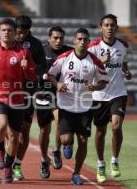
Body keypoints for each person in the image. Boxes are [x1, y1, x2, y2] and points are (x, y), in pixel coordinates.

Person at [47, 28, 108, 185]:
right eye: (79, 39)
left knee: (83, 140)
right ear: (74, 40)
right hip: (65, 105)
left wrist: (95, 87)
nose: (82, 42)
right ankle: (67, 144)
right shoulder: (64, 58)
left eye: (85, 40)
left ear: (88, 42)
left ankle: (76, 173)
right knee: (66, 139)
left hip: (84, 107)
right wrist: (58, 84)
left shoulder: (95, 61)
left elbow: (103, 81)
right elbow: (51, 74)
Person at [0, 18, 36, 184]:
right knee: (1, 125)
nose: (6, 33)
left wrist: (27, 69)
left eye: (9, 30)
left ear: (14, 33)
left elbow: (32, 78)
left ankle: (7, 168)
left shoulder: (23, 53)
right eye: (3, 30)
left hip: (17, 98)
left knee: (14, 137)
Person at [88, 14, 132, 183]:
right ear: (101, 27)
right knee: (100, 131)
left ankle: (115, 160)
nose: (109, 27)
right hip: (99, 95)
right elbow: (86, 69)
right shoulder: (93, 47)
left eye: (112, 25)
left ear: (116, 27)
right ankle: (100, 164)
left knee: (116, 126)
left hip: (118, 93)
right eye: (106, 25)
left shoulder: (123, 45)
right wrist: (100, 61)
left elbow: (124, 62)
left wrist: (126, 71)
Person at [13, 15, 50, 180]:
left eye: (24, 32)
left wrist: (31, 67)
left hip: (27, 92)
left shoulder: (35, 44)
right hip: (7, 92)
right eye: (19, 32)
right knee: (8, 131)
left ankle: (17, 165)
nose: (21, 36)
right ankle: (4, 155)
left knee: (24, 130)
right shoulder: (7, 42)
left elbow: (43, 68)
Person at [42, 26, 73, 171]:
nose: (58, 40)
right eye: (55, 38)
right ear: (49, 39)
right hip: (44, 93)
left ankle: (56, 150)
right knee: (44, 130)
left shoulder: (69, 51)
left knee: (60, 120)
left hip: (64, 93)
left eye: (61, 38)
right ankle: (44, 159)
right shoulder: (42, 51)